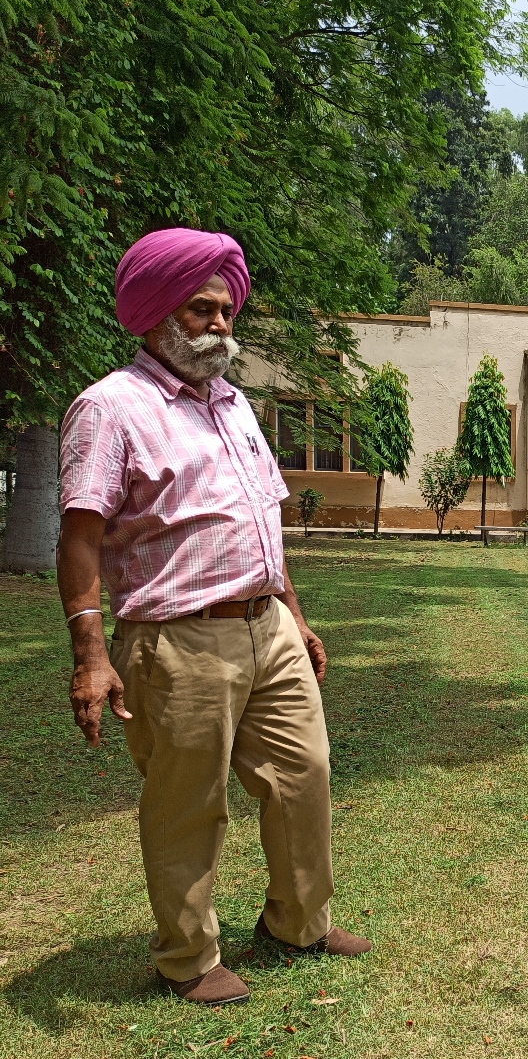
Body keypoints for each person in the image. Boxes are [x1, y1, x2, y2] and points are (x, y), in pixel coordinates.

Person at [57, 228, 371, 1007]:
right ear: (158, 314)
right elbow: (80, 534)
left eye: (227, 311)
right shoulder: (110, 408)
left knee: (305, 774)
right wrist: (92, 654)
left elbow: (260, 516)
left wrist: (294, 613)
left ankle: (297, 922)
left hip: (267, 626)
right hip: (177, 639)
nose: (221, 325)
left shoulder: (234, 406)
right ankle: (188, 957)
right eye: (202, 310)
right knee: (187, 800)